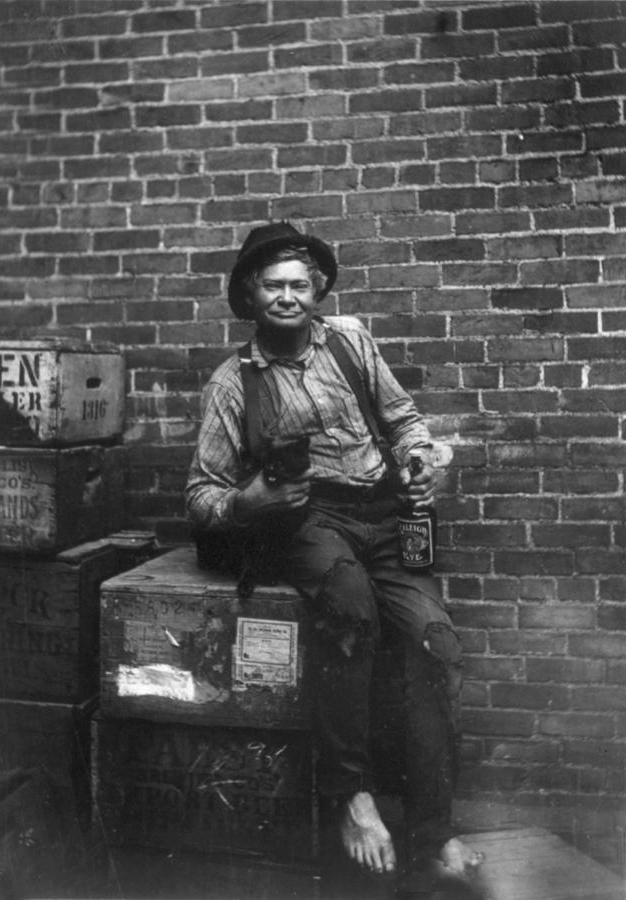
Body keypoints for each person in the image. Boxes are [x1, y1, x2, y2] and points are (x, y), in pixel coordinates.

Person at [185, 222, 483, 887]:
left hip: (384, 512)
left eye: (300, 285)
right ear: (249, 295)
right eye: (272, 286)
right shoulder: (233, 383)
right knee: (350, 607)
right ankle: (354, 798)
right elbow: (200, 495)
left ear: (316, 291)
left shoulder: (350, 342)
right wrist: (246, 502)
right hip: (306, 520)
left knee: (435, 641)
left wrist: (423, 457)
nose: (288, 298)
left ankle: (435, 830)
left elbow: (404, 418)